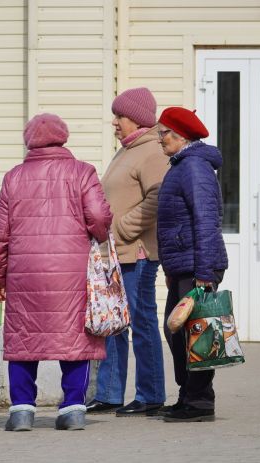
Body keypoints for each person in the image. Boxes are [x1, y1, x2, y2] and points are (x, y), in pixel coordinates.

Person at [0, 113, 113, 432]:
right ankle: (72, 408)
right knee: (75, 338)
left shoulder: (13, 177)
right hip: (71, 271)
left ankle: (21, 411)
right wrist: (97, 234)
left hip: (24, 271)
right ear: (63, 137)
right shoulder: (83, 172)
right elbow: (98, 216)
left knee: (22, 338)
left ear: (29, 141)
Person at [86, 87, 169, 417]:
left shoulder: (152, 153)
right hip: (115, 254)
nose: (114, 123)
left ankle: (150, 395)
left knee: (141, 322)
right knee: (113, 323)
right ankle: (109, 394)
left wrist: (120, 228)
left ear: (135, 119)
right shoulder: (127, 150)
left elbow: (158, 199)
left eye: (119, 116)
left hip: (137, 253)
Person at [155, 107, 228, 422]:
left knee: (196, 334)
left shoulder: (194, 167)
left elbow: (206, 220)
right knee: (176, 331)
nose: (160, 139)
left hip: (197, 265)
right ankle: (189, 397)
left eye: (163, 133)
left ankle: (199, 403)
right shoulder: (183, 165)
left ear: (180, 135)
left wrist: (204, 273)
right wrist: (172, 271)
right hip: (184, 265)